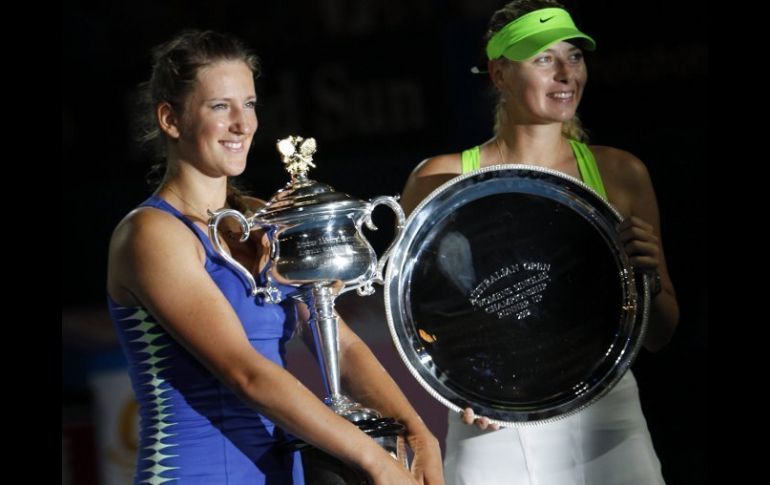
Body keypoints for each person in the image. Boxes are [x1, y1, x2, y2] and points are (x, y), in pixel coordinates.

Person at [107, 29, 443, 485]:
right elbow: (246, 373)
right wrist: (375, 460)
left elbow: (338, 343)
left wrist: (418, 433)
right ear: (171, 119)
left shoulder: (264, 221)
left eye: (248, 104)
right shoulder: (151, 234)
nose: (242, 124)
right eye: (219, 106)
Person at [400, 1, 679, 484]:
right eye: (544, 59)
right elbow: (419, 319)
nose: (566, 73)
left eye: (574, 56)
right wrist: (467, 386)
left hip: (607, 422)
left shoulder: (621, 173)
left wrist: (648, 281)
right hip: (491, 425)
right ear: (499, 74)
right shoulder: (437, 180)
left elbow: (661, 335)